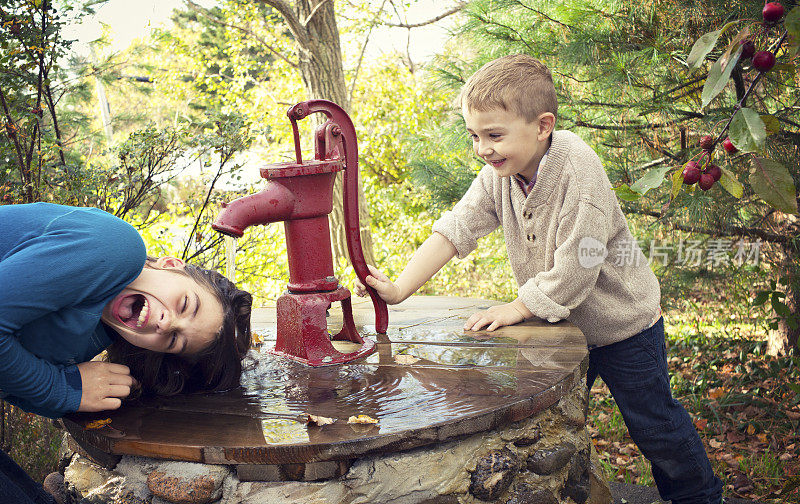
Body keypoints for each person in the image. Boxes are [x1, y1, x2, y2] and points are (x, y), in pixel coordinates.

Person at [358, 54, 724, 504]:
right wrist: (398, 289)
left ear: (543, 125)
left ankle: (700, 497)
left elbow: (579, 265)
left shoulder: (577, 170)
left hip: (623, 327)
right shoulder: (501, 175)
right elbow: (458, 227)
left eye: (494, 136)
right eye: (474, 136)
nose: (482, 149)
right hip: (561, 330)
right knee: (547, 422)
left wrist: (518, 307)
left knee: (656, 427)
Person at [0, 202, 252, 502]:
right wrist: (61, 387)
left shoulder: (96, 335)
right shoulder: (115, 246)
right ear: (170, 265)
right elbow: (48, 388)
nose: (166, 322)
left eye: (173, 340)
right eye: (186, 304)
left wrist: (72, 390)